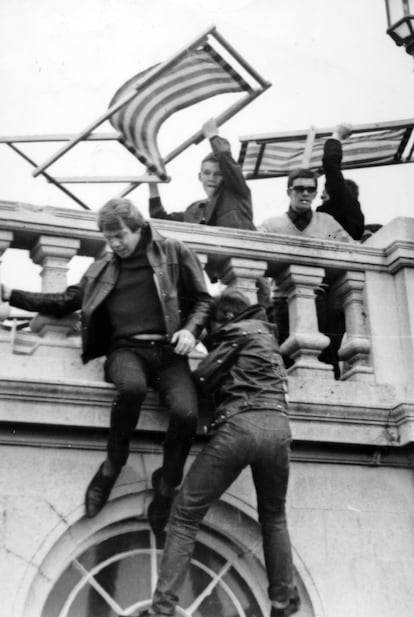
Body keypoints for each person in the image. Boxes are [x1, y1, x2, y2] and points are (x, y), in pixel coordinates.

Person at [0, 198, 211, 531]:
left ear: (139, 227)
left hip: (169, 353)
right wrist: (11, 293)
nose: (114, 244)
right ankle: (113, 466)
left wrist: (190, 330)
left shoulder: (173, 250)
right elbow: (68, 300)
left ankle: (168, 486)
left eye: (120, 236)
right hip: (125, 351)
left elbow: (203, 300)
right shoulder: (105, 264)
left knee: (187, 413)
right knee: (131, 388)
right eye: (108, 238)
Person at [136, 289, 300, 617]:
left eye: (210, 325)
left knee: (184, 514)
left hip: (241, 429)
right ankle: (283, 600)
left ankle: (162, 609)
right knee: (274, 515)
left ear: (223, 318)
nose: (208, 332)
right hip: (280, 430)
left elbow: (201, 379)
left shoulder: (236, 333)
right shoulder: (266, 338)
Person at [258, 169, 353, 378]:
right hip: (283, 301)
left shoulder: (325, 224)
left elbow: (344, 247)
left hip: (322, 302)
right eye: (299, 188)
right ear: (288, 191)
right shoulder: (272, 226)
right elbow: (257, 260)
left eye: (311, 189)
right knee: (284, 356)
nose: (305, 194)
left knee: (327, 359)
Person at [149, 118, 255, 281]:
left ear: (226, 176)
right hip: (226, 278)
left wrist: (213, 136)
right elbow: (161, 221)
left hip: (250, 272)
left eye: (218, 174)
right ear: (200, 176)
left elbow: (227, 161)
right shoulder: (195, 210)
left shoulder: (236, 192)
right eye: (206, 173)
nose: (211, 178)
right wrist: (152, 185)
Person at [316, 123, 365, 240]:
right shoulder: (352, 217)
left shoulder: (340, 202)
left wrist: (337, 136)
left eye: (325, 192)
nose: (321, 196)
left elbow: (331, 164)